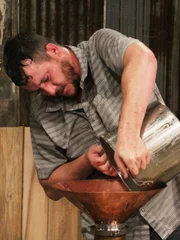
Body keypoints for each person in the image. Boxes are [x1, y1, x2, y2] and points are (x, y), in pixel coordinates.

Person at [3, 28, 180, 240]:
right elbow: (51, 187)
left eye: (47, 78)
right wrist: (86, 161)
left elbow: (143, 58)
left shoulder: (99, 46)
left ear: (54, 51)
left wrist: (128, 135)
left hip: (170, 213)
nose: (49, 91)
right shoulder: (41, 111)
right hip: (104, 230)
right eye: (39, 89)